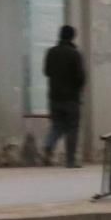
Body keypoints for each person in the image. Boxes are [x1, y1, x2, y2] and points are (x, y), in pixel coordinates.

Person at [43, 25, 86, 168]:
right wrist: (77, 90)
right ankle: (70, 160)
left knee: (57, 125)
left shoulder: (51, 52)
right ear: (72, 37)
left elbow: (47, 72)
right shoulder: (75, 54)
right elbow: (80, 77)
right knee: (72, 128)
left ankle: (48, 145)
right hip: (71, 98)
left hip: (54, 97)